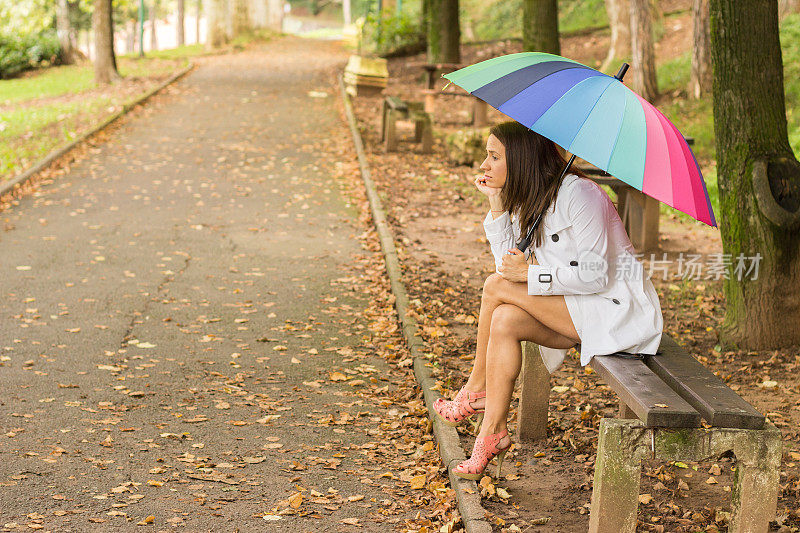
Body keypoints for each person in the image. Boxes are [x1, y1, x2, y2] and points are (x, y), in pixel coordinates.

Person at [433, 121, 663, 480]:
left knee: (495, 289)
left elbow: (595, 275)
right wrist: (496, 206)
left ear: (522, 160)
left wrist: (530, 275)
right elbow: (506, 268)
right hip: (574, 308)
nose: (484, 165)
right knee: (505, 319)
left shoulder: (581, 196)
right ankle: (492, 431)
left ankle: (475, 387)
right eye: (486, 156)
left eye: (494, 157)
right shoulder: (536, 200)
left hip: (614, 311)